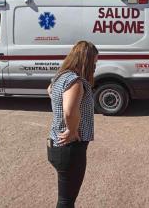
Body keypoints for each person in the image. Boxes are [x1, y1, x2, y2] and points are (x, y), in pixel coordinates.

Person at [47, 41, 98, 208]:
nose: (95, 66)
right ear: (86, 60)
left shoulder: (60, 76)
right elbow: (69, 111)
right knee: (66, 202)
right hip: (69, 148)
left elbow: (50, 91)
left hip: (57, 145)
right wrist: (71, 129)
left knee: (66, 198)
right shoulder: (75, 81)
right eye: (94, 62)